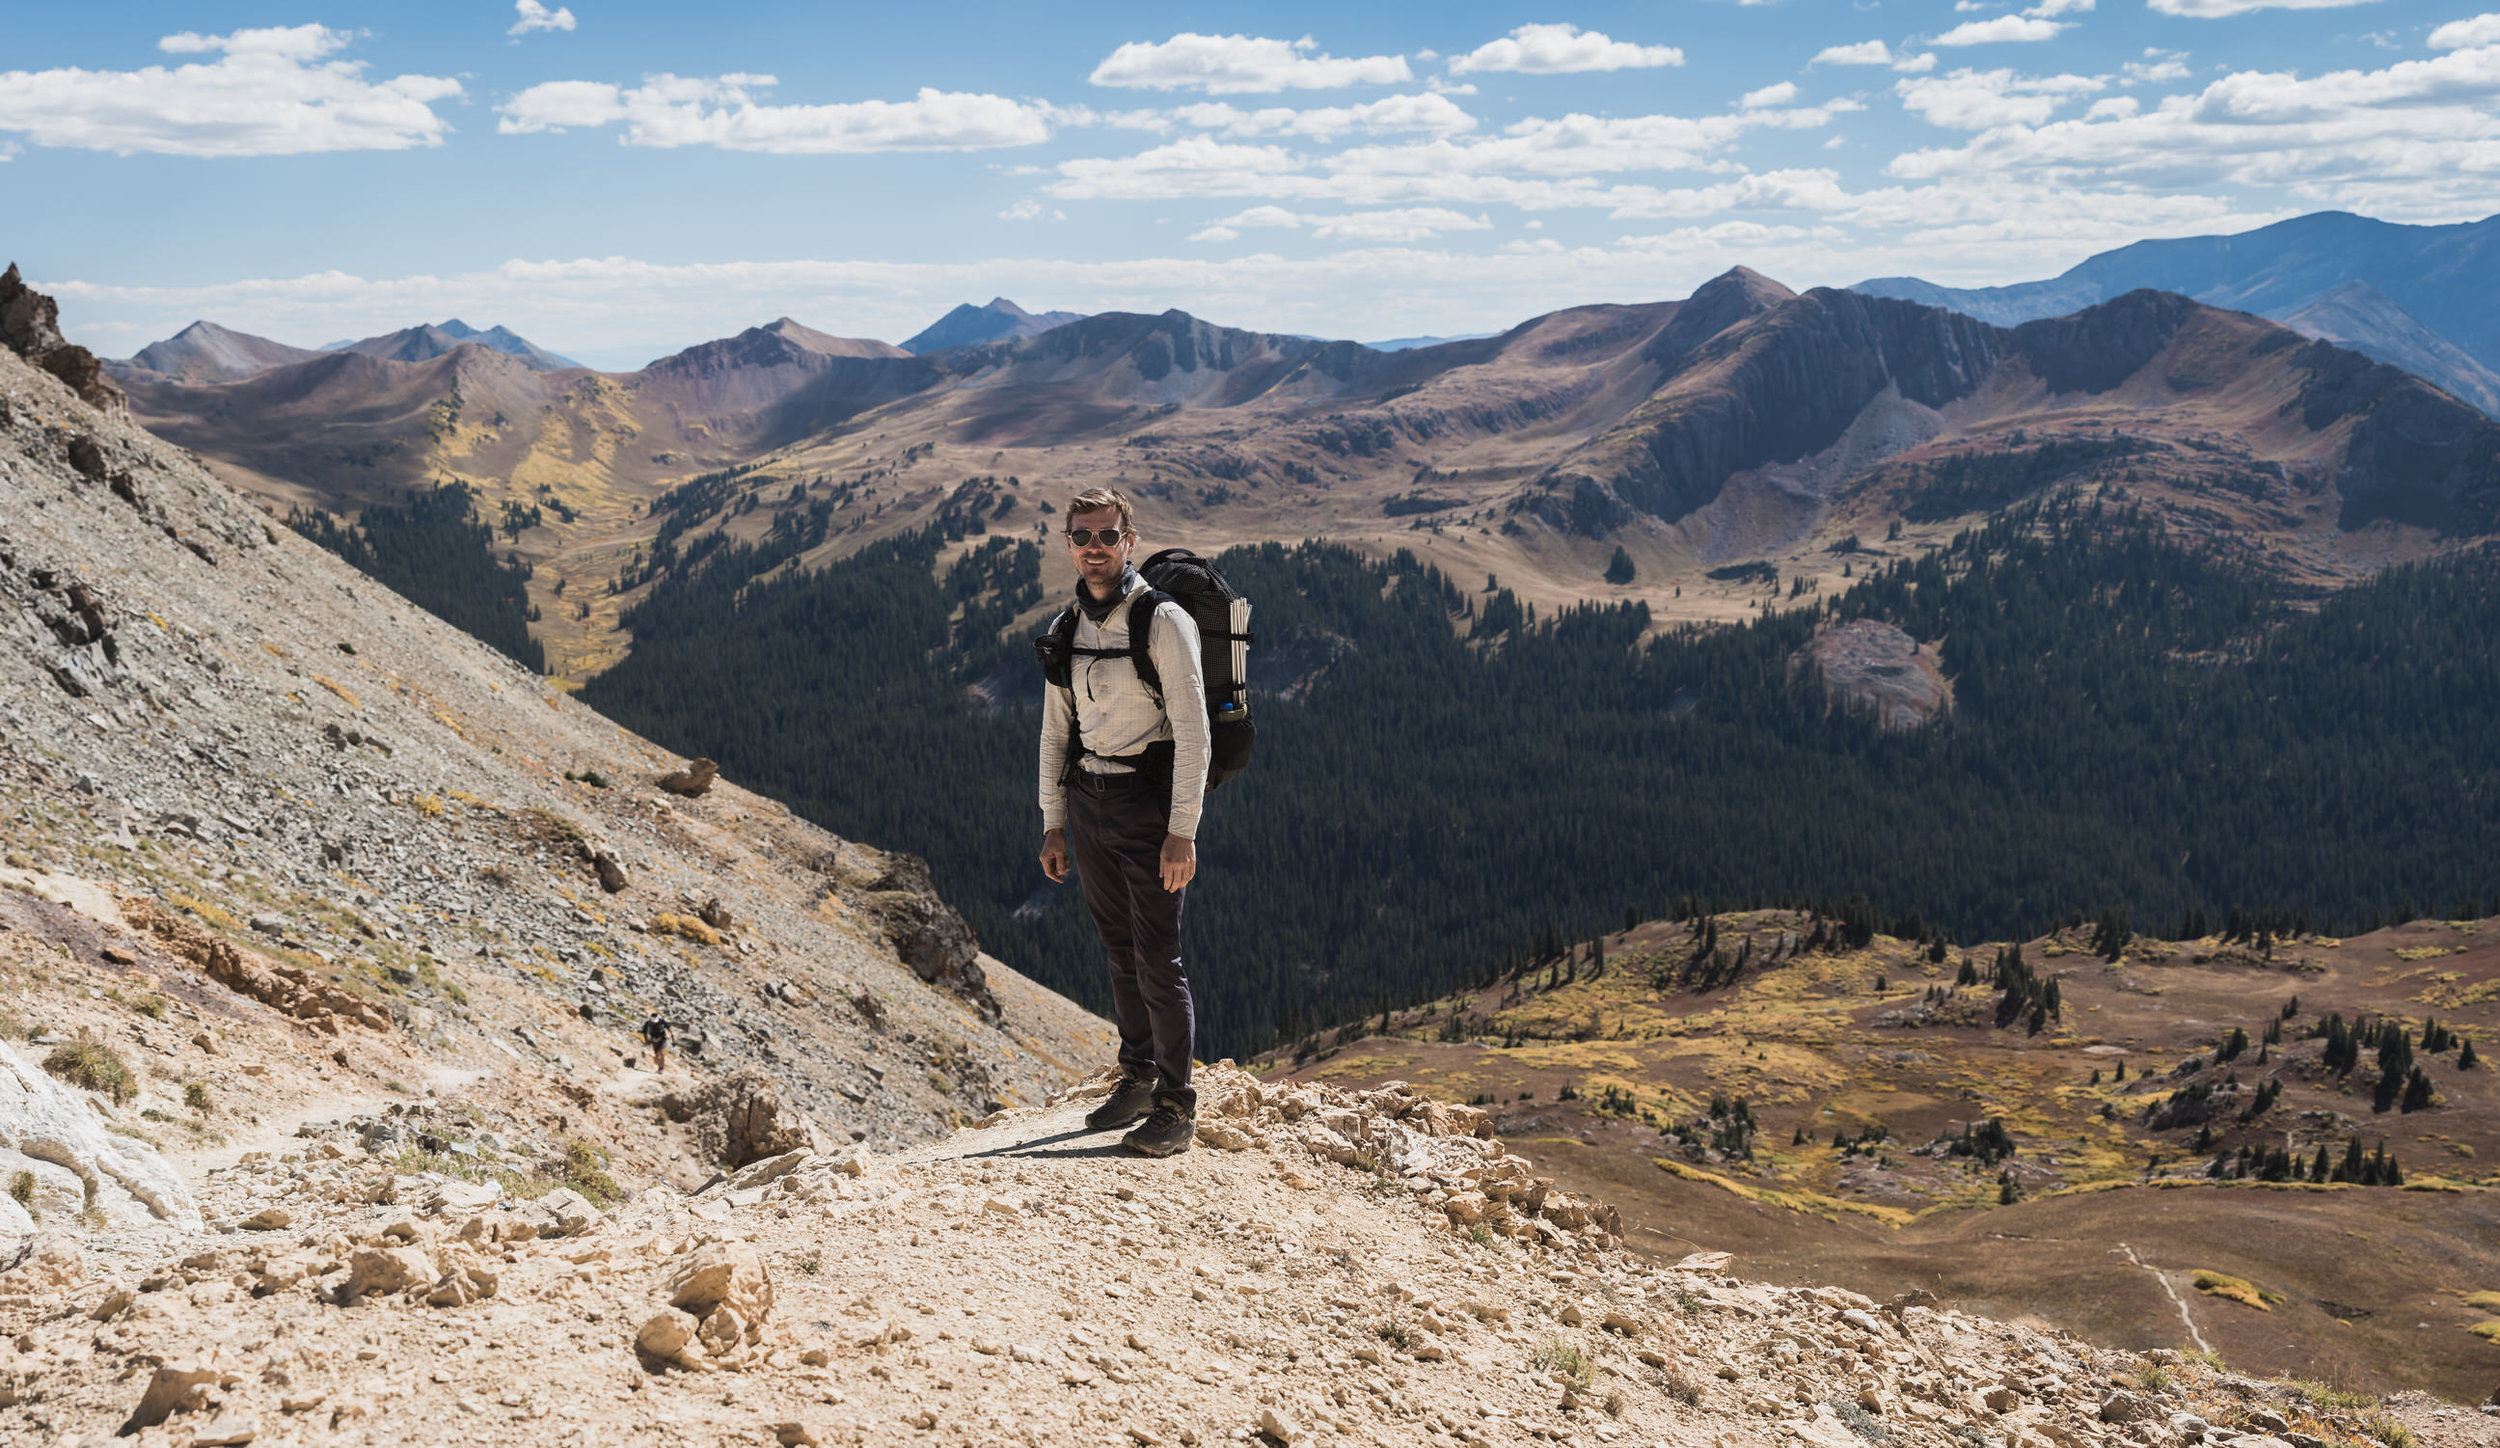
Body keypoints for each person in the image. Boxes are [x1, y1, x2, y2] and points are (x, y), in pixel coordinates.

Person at [1038, 487, 1211, 1158]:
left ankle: (1176, 1107)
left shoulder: (1163, 622)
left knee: (1159, 958)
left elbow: (1194, 732)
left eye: (1108, 537)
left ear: (1129, 541)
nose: (1095, 549)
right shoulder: (1067, 627)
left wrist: (1182, 830)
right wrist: (1054, 822)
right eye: (1083, 537)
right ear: (1069, 545)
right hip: (1088, 802)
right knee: (1118, 948)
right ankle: (1137, 1077)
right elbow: (1055, 732)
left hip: (1148, 805)